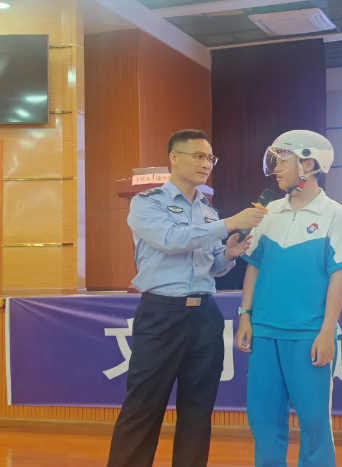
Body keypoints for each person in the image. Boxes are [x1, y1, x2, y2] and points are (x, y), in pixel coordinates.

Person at [107, 129, 267, 467]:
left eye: (210, 158)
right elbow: (171, 239)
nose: (206, 163)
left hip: (204, 316)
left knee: (198, 409)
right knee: (144, 405)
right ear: (174, 158)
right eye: (198, 156)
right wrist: (229, 224)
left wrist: (230, 253)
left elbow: (212, 266)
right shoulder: (147, 202)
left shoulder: (208, 211)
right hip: (161, 314)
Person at [234, 130, 342, 467]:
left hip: (308, 335)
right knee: (263, 419)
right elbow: (254, 267)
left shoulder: (335, 214)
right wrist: (245, 315)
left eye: (283, 160)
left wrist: (326, 333)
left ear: (309, 164)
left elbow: (339, 277)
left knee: (314, 423)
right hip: (264, 331)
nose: (276, 168)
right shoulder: (269, 212)